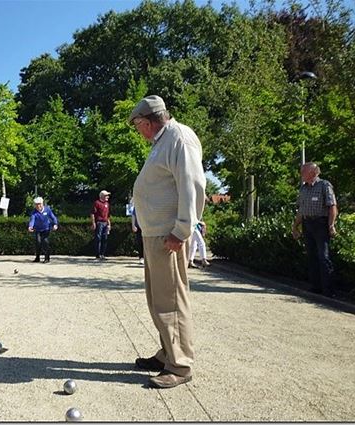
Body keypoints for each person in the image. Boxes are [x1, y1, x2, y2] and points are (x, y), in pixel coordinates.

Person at [130, 95, 206, 389]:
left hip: (168, 235)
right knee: (159, 299)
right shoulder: (162, 141)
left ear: (147, 122)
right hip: (156, 234)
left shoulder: (179, 138)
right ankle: (167, 353)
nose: (138, 131)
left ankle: (180, 365)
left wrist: (182, 229)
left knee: (171, 301)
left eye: (137, 126)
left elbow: (193, 185)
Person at [292, 162, 338, 297]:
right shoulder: (303, 189)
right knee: (311, 256)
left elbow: (332, 207)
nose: (301, 174)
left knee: (323, 257)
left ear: (312, 172)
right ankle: (316, 287)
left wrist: (331, 225)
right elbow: (301, 210)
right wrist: (295, 226)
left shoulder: (324, 185)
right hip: (307, 224)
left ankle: (329, 290)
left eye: (303, 172)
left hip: (320, 224)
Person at [28, 196, 58, 263]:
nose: (38, 206)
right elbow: (32, 220)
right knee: (38, 242)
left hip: (46, 229)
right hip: (37, 230)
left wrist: (55, 224)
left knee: (45, 241)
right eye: (36, 204)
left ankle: (47, 258)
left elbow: (53, 217)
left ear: (42, 203)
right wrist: (30, 226)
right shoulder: (34, 212)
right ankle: (37, 258)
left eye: (39, 204)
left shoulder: (47, 210)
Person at [91, 190, 111, 260]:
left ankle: (103, 254)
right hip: (99, 222)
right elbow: (92, 213)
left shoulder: (107, 204)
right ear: (102, 196)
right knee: (98, 238)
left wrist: (109, 224)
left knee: (104, 238)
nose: (107, 197)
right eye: (106, 195)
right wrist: (93, 223)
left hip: (105, 223)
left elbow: (108, 215)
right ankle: (98, 254)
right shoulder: (97, 203)